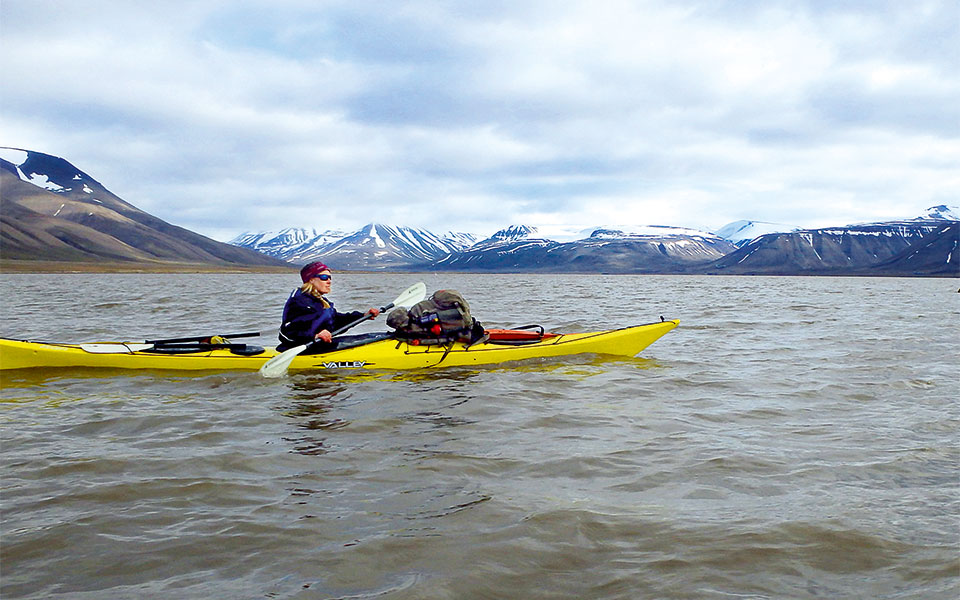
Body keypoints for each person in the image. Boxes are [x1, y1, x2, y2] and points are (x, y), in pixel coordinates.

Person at [277, 262, 380, 351]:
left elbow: (336, 320)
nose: (329, 281)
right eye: (324, 277)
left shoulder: (321, 301)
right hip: (302, 349)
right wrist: (315, 336)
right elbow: (287, 333)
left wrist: (363, 316)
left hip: (319, 346)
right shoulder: (299, 301)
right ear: (311, 279)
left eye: (330, 277)